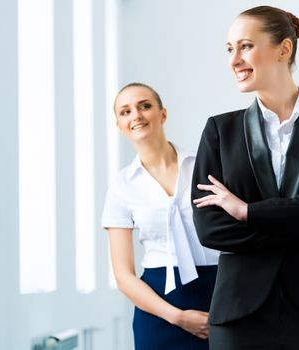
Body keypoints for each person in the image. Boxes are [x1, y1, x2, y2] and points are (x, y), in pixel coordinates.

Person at [191, 6, 299, 350]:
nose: (234, 60)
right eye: (229, 49)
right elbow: (209, 227)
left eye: (245, 46)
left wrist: (248, 212)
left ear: (283, 49)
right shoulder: (220, 130)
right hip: (241, 315)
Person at [101, 83, 219, 350]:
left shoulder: (205, 165)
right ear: (119, 125)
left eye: (145, 106)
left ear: (162, 114)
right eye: (125, 112)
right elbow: (123, 276)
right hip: (158, 307)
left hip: (218, 294)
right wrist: (176, 317)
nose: (136, 116)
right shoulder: (121, 187)